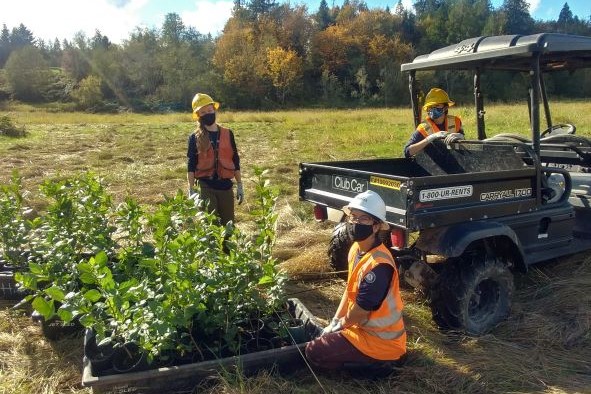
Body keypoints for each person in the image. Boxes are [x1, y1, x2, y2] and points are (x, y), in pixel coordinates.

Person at [305, 190, 406, 379]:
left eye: (363, 219)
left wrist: (341, 325)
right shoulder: (356, 250)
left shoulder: (379, 266)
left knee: (313, 352)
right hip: (361, 329)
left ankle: (378, 366)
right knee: (321, 341)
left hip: (381, 343)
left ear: (376, 227)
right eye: (353, 217)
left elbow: (361, 310)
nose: (355, 223)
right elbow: (350, 290)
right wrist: (335, 321)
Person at [186, 93, 244, 225]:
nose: (208, 113)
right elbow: (191, 165)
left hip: (226, 188)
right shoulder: (194, 138)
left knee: (228, 228)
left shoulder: (228, 133)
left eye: (210, 110)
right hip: (206, 187)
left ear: (214, 109)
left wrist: (240, 185)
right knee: (210, 228)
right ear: (198, 115)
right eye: (203, 112)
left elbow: (235, 160)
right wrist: (191, 190)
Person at [403, 88, 464, 158]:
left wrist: (461, 137)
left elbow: (465, 148)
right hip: (434, 166)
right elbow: (407, 152)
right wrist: (430, 138)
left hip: (455, 163)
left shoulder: (456, 121)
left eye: (437, 105)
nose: (433, 109)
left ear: (445, 107)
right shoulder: (424, 128)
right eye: (430, 107)